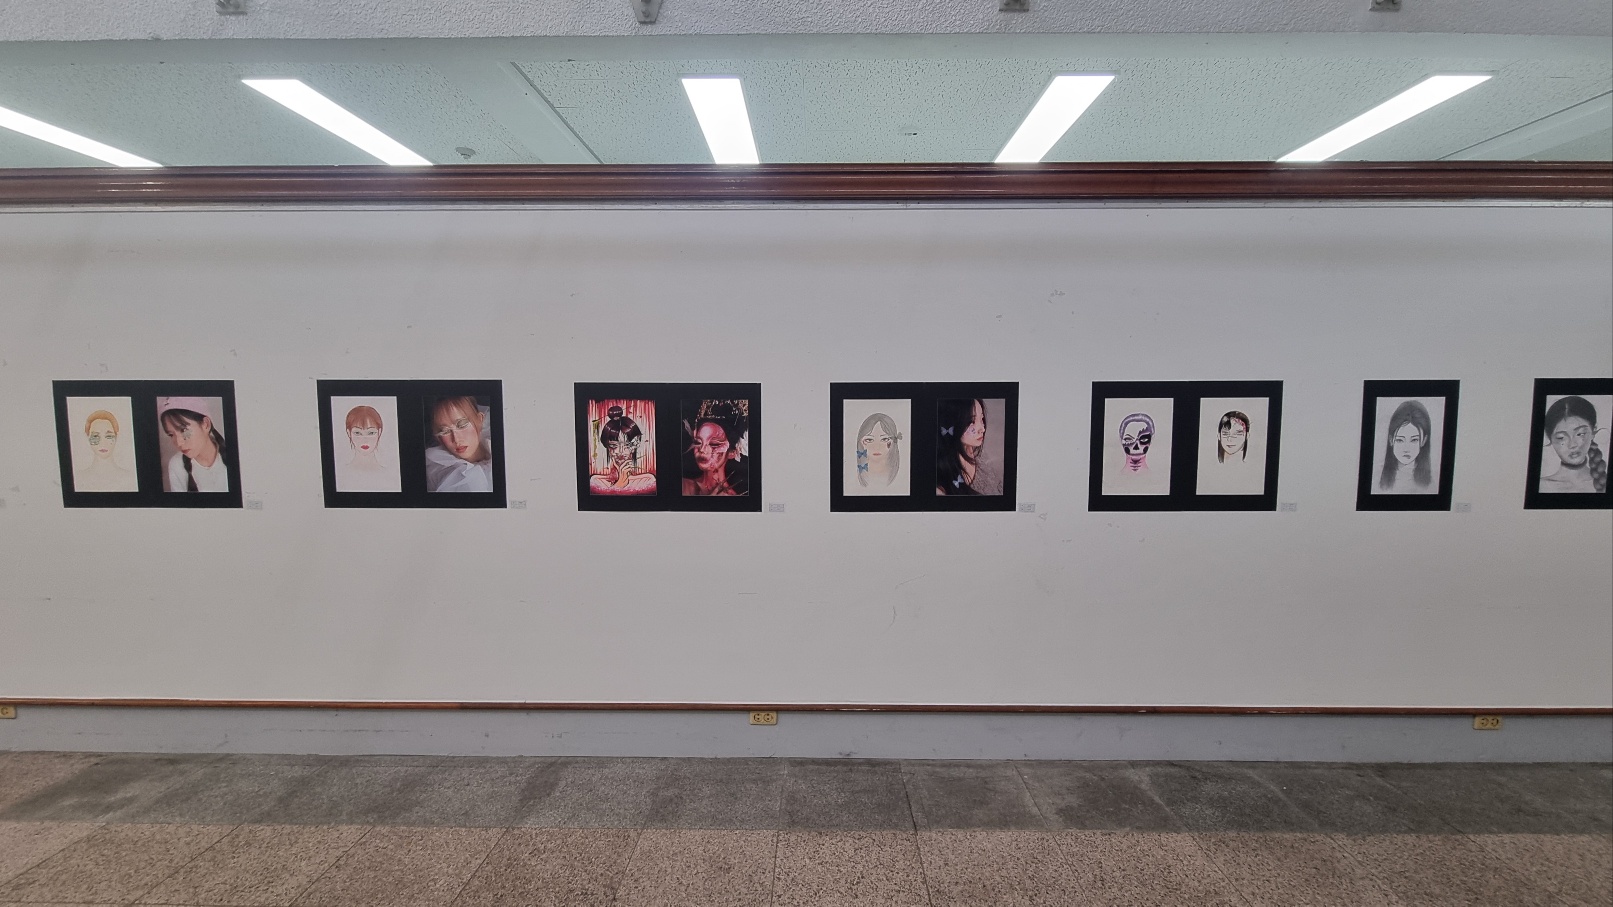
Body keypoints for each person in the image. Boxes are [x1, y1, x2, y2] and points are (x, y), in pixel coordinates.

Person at [1539, 395, 1608, 494]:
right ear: (1549, 438)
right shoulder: (1542, 486)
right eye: (1561, 438)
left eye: (1580, 434)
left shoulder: (1606, 483)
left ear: (1594, 430)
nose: (1572, 445)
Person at [159, 397, 229, 493]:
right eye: (171, 435)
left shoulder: (236, 455)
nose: (179, 443)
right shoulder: (177, 464)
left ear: (206, 424)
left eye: (184, 430)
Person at [425, 396, 494, 493]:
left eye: (462, 425)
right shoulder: (442, 474)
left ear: (480, 419)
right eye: (445, 431)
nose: (456, 439)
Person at [682, 400, 749, 496]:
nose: (702, 449)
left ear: (732, 452)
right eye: (698, 442)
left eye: (714, 444)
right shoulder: (683, 486)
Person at [936, 398, 1002, 495]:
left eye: (981, 418)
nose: (982, 429)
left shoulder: (974, 450)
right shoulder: (940, 488)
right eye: (972, 422)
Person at [591, 405, 657, 495]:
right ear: (607, 447)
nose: (620, 452)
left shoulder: (647, 481)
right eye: (613, 446)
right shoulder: (596, 482)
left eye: (627, 445)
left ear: (635, 446)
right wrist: (620, 483)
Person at [336, 404, 398, 492]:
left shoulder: (391, 476)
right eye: (357, 433)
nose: (364, 439)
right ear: (349, 433)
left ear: (379, 432)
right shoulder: (341, 474)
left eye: (371, 433)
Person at [1378, 400, 1434, 493]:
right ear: (1391, 440)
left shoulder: (1430, 484)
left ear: (1423, 440)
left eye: (1414, 440)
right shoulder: (1378, 479)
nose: (1406, 449)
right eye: (1400, 440)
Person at [74, 408, 136, 492]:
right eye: (95, 436)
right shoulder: (79, 478)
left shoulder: (129, 479)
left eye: (109, 436)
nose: (103, 443)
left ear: (116, 437)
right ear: (87, 437)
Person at [854, 412, 902, 490]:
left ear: (894, 442)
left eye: (884, 439)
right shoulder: (856, 475)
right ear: (860, 442)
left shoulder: (901, 476)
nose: (876, 447)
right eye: (869, 440)